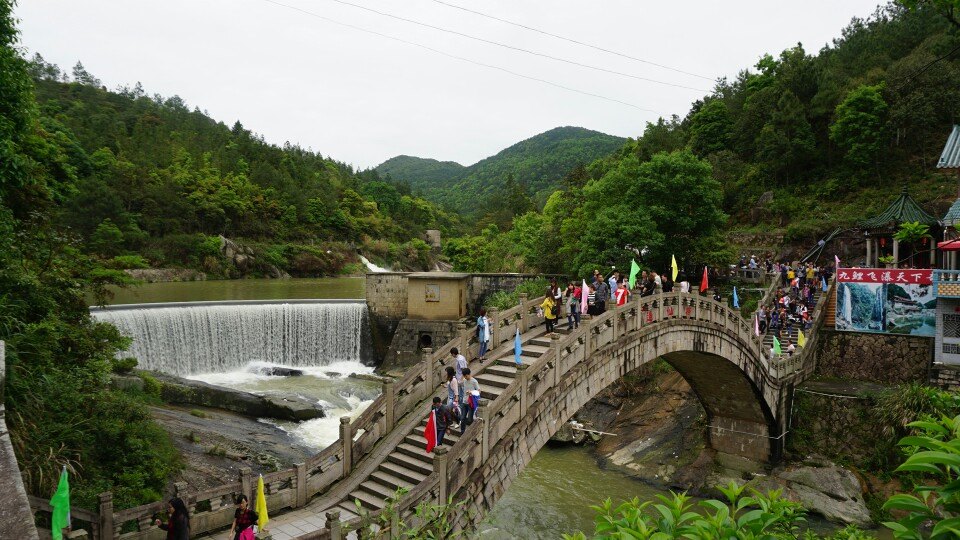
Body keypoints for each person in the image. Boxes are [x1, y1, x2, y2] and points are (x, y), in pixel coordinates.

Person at [460, 368, 480, 435]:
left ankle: (470, 433)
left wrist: (471, 392)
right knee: (462, 418)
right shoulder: (464, 380)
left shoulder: (474, 381)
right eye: (464, 376)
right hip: (464, 401)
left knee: (470, 419)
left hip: (470, 403)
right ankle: (462, 432)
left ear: (469, 374)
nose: (465, 377)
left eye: (466, 376)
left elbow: (479, 391)